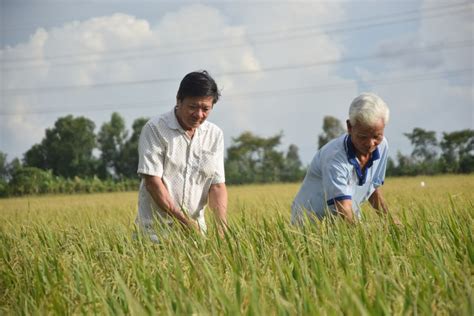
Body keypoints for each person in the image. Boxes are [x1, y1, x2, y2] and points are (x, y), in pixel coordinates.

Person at [136, 70, 227, 242]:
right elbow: (153, 183)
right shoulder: (155, 129)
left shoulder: (214, 135)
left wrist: (222, 232)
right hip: (155, 236)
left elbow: (217, 186)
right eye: (193, 107)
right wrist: (185, 222)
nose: (199, 114)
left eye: (205, 109)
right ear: (179, 100)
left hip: (197, 236)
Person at [291, 92, 400, 225]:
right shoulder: (335, 157)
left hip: (346, 218)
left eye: (376, 136)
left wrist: (392, 223)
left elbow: (371, 187)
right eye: (362, 137)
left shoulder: (382, 146)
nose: (370, 144)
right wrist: (366, 236)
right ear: (349, 127)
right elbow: (343, 211)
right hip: (310, 224)